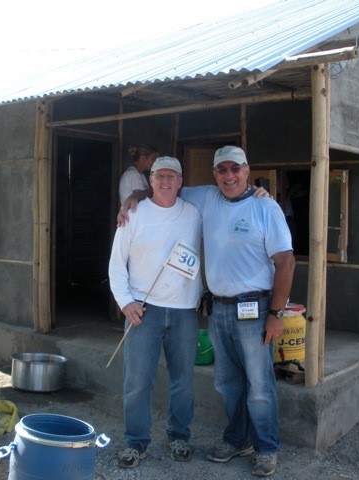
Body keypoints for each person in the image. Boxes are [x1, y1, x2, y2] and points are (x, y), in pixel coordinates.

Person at [119, 146, 295, 477]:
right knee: (227, 382)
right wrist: (138, 194)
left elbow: (285, 260)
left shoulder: (264, 206)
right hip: (220, 308)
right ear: (214, 174)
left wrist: (277, 312)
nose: (229, 176)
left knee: (259, 383)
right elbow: (167, 186)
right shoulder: (207, 198)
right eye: (221, 170)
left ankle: (267, 447)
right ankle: (237, 440)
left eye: (235, 169)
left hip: (255, 307)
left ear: (247, 170)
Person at [108, 156, 203, 469]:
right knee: (138, 381)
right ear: (150, 180)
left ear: (180, 181)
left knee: (183, 381)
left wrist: (261, 193)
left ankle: (179, 436)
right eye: (159, 175)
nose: (165, 181)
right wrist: (125, 302)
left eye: (171, 176)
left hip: (184, 312)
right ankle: (136, 443)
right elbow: (117, 263)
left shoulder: (194, 214)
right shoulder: (134, 214)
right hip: (143, 311)